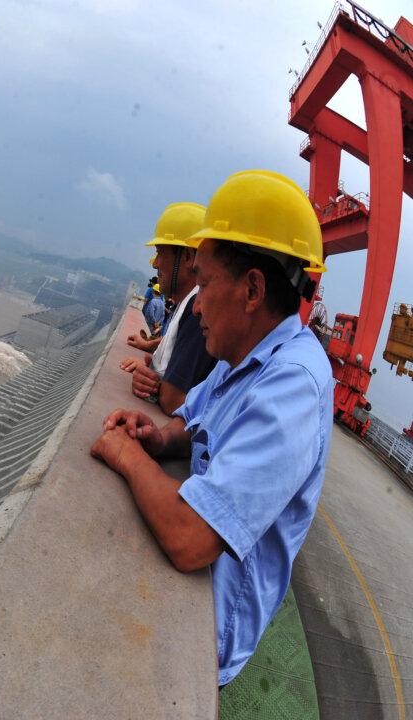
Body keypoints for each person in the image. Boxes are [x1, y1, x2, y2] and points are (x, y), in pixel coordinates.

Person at [90, 169, 333, 687]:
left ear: (251, 290)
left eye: (203, 283)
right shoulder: (241, 351)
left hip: (210, 633)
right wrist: (157, 439)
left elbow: (191, 538)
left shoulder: (294, 387)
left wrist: (127, 455)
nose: (195, 304)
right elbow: (192, 418)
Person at [121, 202, 217, 415]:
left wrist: (157, 387)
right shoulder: (185, 304)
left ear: (187, 258)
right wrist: (152, 362)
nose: (154, 264)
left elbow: (173, 400)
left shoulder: (197, 310)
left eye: (160, 252)